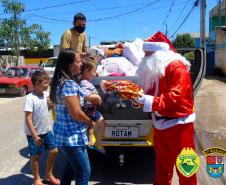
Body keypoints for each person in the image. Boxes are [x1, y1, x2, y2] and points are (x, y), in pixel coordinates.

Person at [135, 31, 197, 185]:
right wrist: (138, 99)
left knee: (186, 170)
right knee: (162, 169)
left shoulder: (177, 66)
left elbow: (176, 96)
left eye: (148, 54)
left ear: (159, 53)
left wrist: (150, 102)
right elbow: (150, 93)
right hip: (160, 126)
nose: (144, 58)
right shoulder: (156, 69)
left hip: (180, 126)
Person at [49, 48, 95, 185]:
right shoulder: (68, 84)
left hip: (64, 136)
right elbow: (76, 113)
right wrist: (89, 122)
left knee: (70, 170)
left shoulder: (61, 82)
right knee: (83, 172)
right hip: (71, 138)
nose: (81, 64)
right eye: (78, 61)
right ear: (69, 65)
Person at [23, 71, 60, 185]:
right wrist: (35, 137)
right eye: (45, 82)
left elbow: (45, 111)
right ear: (37, 83)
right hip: (34, 133)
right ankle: (37, 179)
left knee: (54, 151)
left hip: (46, 130)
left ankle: (48, 174)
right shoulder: (30, 98)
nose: (47, 85)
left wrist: (50, 106)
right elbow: (28, 118)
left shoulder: (46, 94)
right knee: (36, 156)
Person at [79, 56, 106, 154]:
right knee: (99, 122)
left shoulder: (83, 80)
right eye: (93, 72)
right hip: (89, 108)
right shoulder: (84, 83)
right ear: (86, 71)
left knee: (94, 124)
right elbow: (85, 94)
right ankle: (96, 142)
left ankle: (93, 141)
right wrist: (95, 97)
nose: (95, 74)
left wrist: (95, 73)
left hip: (89, 108)